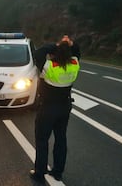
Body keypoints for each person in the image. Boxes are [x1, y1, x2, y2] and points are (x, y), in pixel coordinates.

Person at [29, 35, 80, 184]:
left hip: (48, 107)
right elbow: (77, 52)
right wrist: (69, 44)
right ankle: (57, 172)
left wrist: (57, 45)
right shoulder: (74, 63)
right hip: (64, 107)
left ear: (55, 53)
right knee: (61, 139)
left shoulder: (49, 67)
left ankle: (39, 172)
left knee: (42, 140)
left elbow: (38, 53)